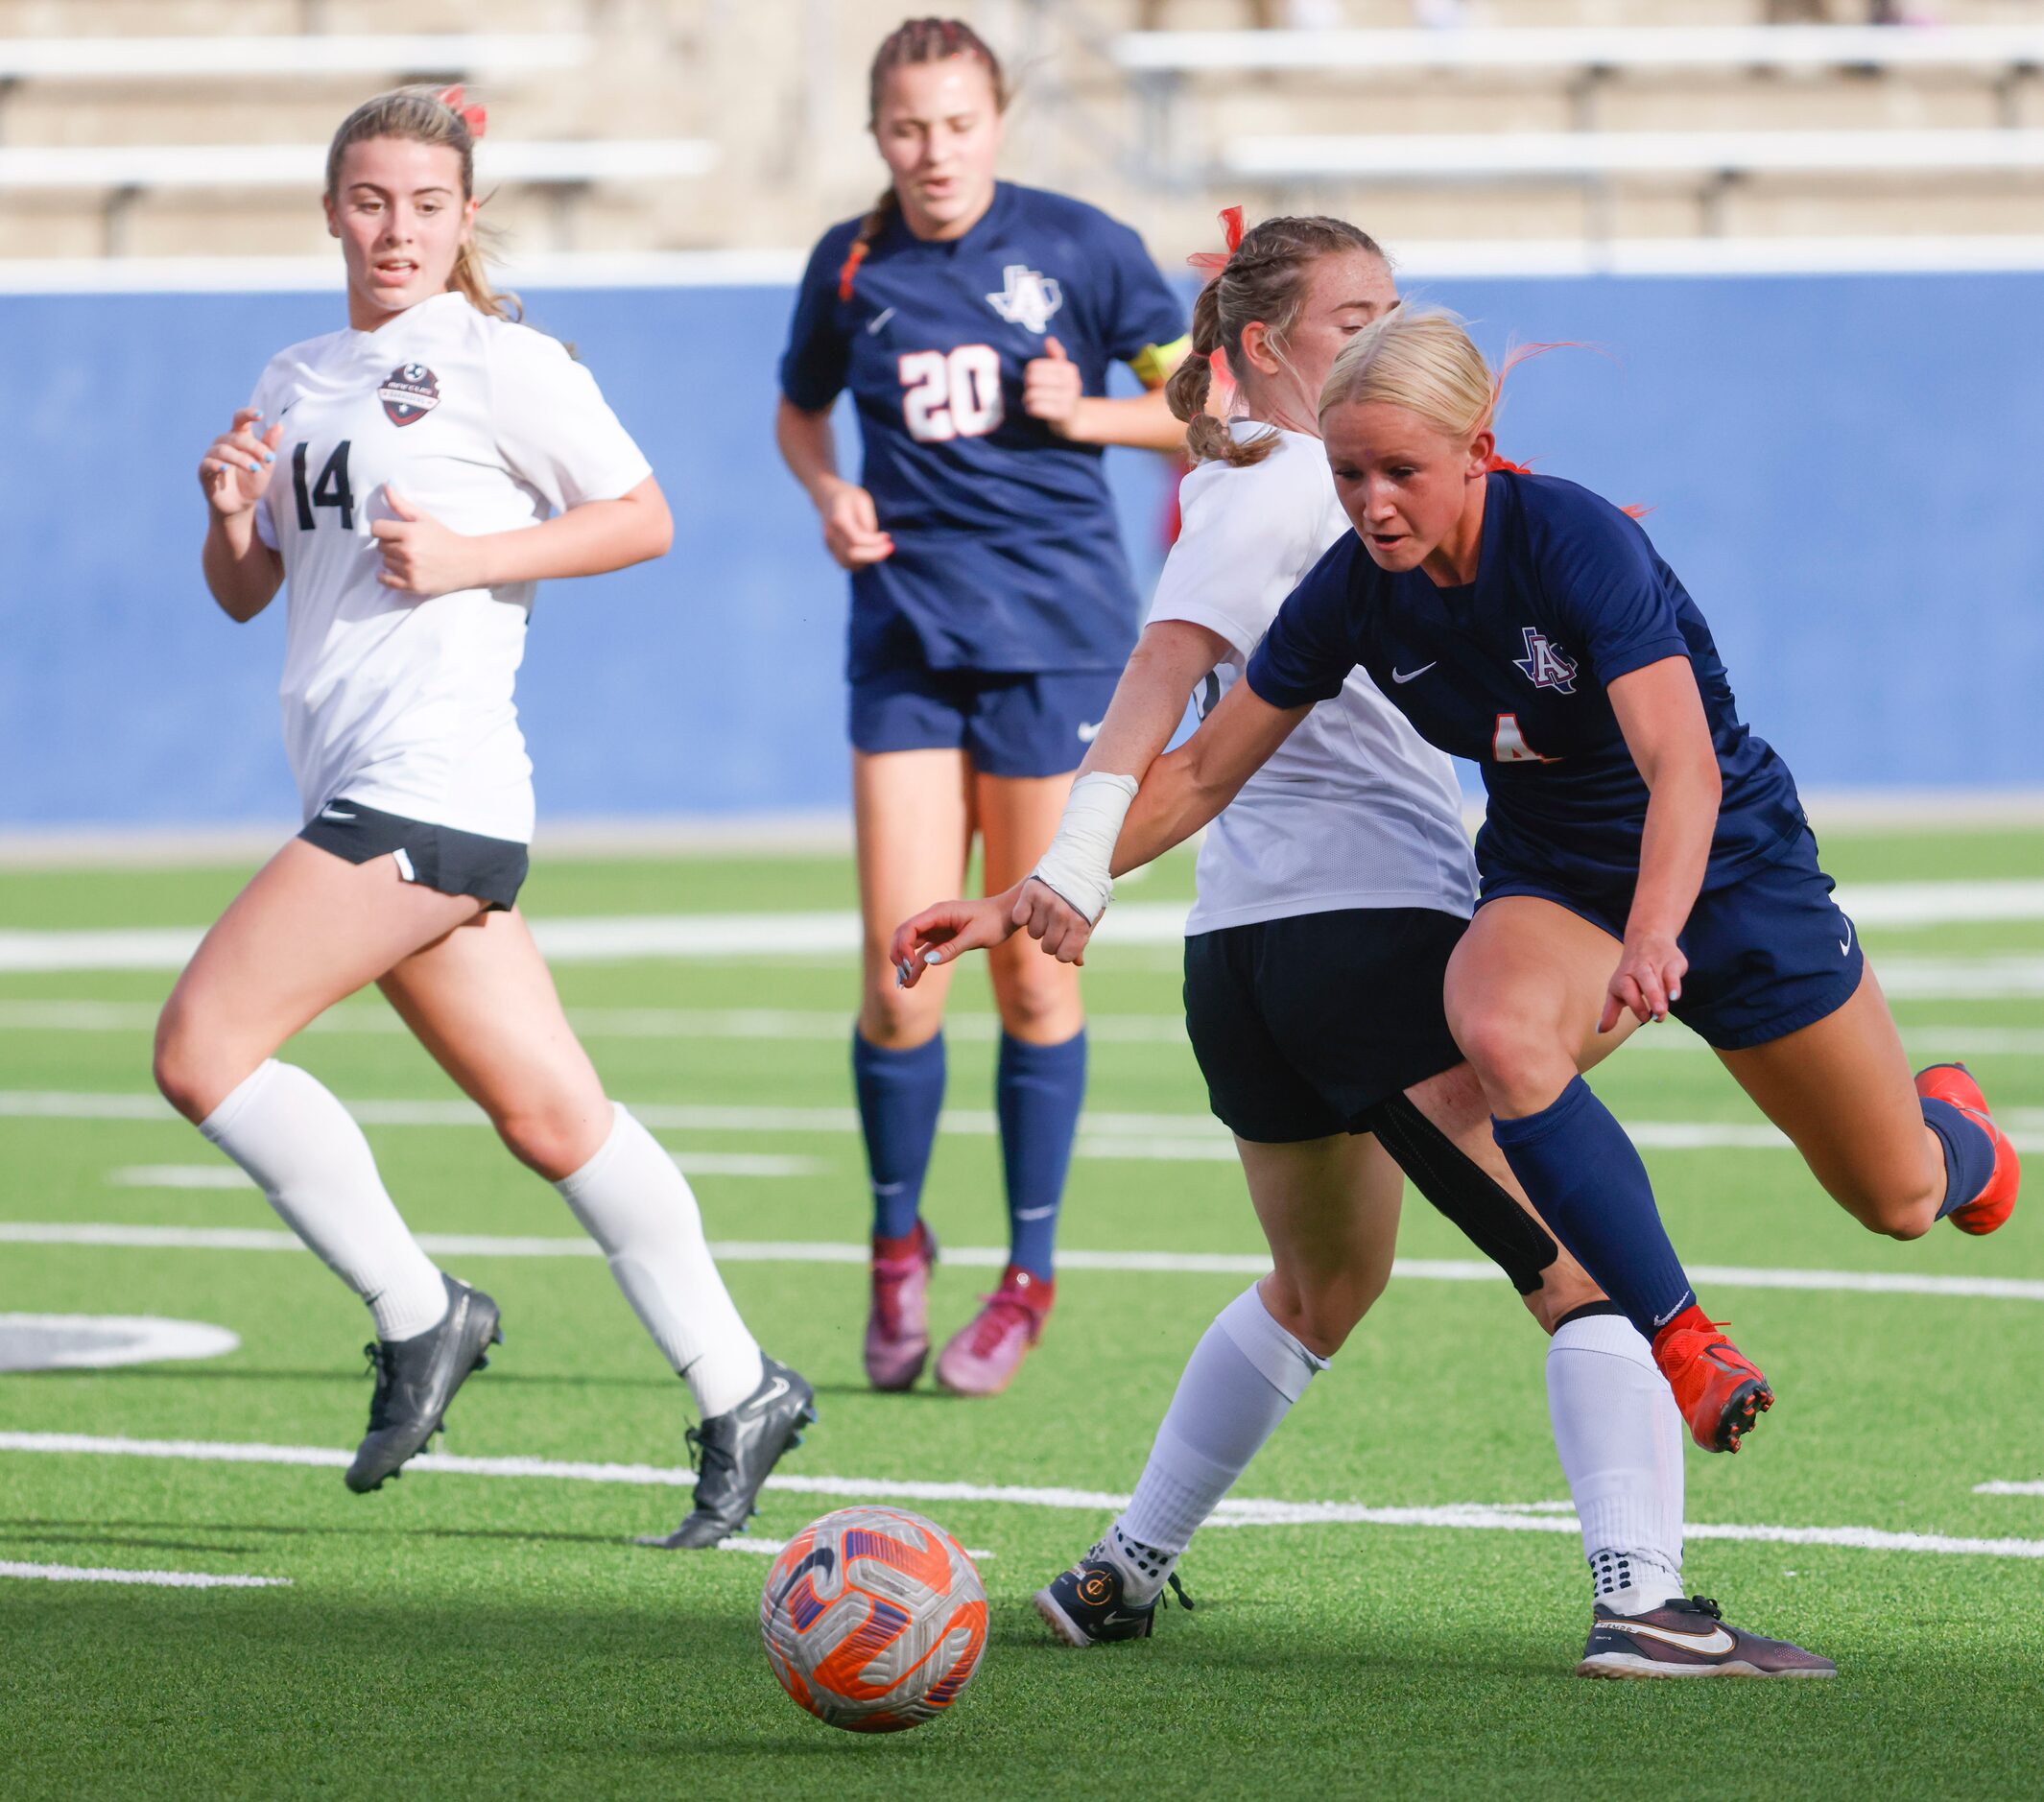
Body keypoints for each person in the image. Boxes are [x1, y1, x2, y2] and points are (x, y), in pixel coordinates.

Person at [891, 214, 1830, 1677]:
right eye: (1350, 318)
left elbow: (1204, 766)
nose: (1379, 341)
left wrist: (1034, 890)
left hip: (1242, 966)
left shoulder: (1269, 485)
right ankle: (1643, 1597)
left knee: (1318, 1290)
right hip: (1368, 939)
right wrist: (1060, 863)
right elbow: (1163, 686)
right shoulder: (1284, 499)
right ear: (1263, 348)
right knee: (1577, 1263)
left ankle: (1123, 1569)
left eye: (1393, 311)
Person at [908, 304, 2018, 1462]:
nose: (1372, 502)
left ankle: (1963, 1134)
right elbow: (1197, 773)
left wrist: (1656, 935)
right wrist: (1036, 889)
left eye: (1402, 472)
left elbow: (1680, 765)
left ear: (1479, 450)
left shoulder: (1577, 543)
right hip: (1559, 880)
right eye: (1347, 474)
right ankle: (1684, 1337)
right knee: (1489, 1029)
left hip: (1730, 872)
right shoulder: (1353, 589)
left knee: (1898, 1198)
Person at [156, 85, 811, 1549]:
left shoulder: (500, 362)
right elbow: (247, 591)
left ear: (464, 220)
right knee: (555, 1116)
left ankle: (417, 1309)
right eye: (373, 201)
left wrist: (470, 556)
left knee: (200, 1050)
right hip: (355, 780)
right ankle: (739, 1383)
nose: (398, 229)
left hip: (432, 781)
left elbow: (642, 516)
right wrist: (224, 514)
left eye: (427, 205)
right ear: (332, 207)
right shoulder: (297, 370)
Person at [775, 17, 1190, 1396]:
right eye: (906, 127)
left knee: (1029, 967)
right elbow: (799, 411)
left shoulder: (1083, 248)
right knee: (899, 979)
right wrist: (827, 490)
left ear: (994, 123)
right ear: (876, 132)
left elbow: (1214, 411)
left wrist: (1095, 416)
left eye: (954, 124)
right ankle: (896, 1248)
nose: (931, 151)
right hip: (902, 644)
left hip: (1060, 651)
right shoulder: (847, 262)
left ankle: (1026, 1276)